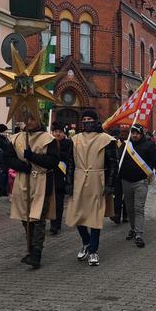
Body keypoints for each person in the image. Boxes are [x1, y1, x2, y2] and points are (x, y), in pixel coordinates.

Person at [3, 114, 59, 269]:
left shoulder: (48, 139)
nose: (29, 122)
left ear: (38, 120)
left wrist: (32, 157)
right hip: (23, 181)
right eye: (26, 119)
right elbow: (7, 158)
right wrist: (22, 166)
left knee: (38, 218)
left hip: (42, 181)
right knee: (25, 217)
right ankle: (31, 247)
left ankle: (36, 252)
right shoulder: (16, 138)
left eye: (32, 119)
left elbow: (53, 162)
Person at [65, 110, 118, 266]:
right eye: (84, 119)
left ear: (96, 121)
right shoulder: (75, 140)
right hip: (79, 178)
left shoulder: (106, 140)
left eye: (90, 119)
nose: (87, 122)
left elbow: (113, 164)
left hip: (97, 180)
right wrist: (68, 182)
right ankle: (86, 242)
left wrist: (110, 184)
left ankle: (93, 251)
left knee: (95, 217)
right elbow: (70, 163)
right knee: (77, 214)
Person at [118, 123, 156, 248]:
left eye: (136, 133)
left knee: (138, 208)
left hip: (141, 182)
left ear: (141, 134)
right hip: (126, 181)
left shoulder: (148, 145)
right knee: (129, 208)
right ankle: (133, 229)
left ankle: (139, 234)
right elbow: (119, 162)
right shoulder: (126, 145)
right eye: (132, 133)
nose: (134, 135)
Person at [50, 121, 72, 235]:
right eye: (55, 132)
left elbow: (69, 159)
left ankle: (56, 225)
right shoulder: (49, 143)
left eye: (59, 132)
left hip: (61, 177)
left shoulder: (68, 144)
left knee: (58, 203)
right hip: (50, 176)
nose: (57, 134)